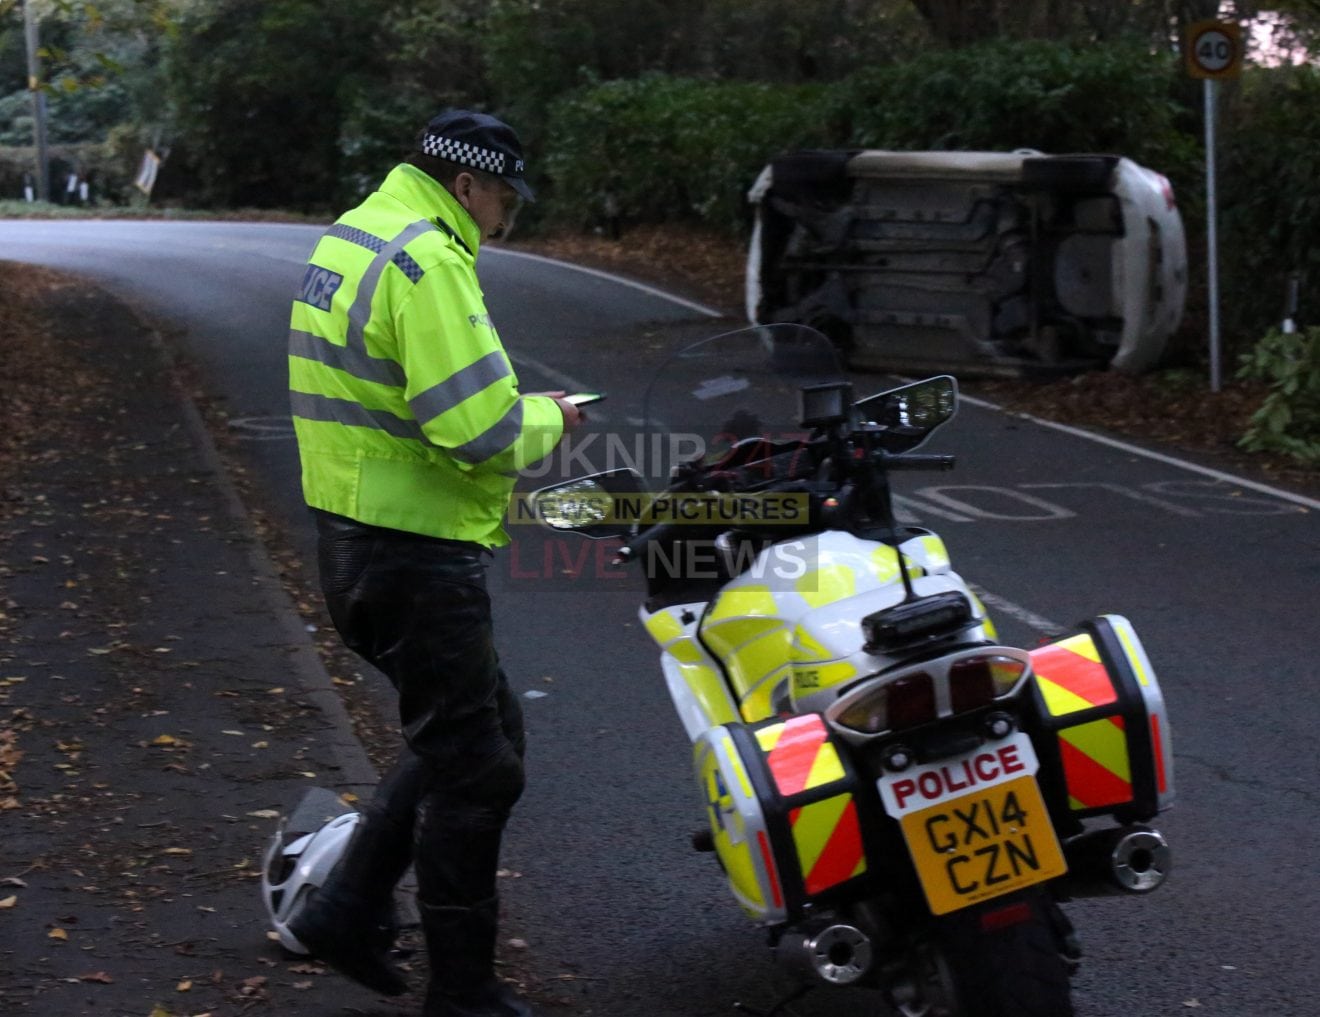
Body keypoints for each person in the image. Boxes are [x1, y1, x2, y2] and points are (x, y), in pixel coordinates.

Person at [286, 109, 582, 1017]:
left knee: (473, 731)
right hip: (414, 557)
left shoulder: (359, 235)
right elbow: (480, 427)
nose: (505, 218)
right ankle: (462, 992)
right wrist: (555, 417)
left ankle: (344, 907)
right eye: (503, 198)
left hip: (358, 546)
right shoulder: (430, 263)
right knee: (478, 768)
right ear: (466, 184)